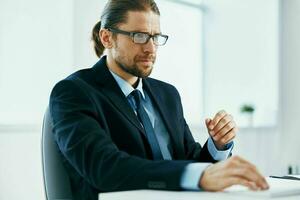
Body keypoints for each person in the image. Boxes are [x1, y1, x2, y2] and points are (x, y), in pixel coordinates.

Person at [49, 0, 269, 199]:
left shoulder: (168, 95)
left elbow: (189, 163)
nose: (150, 48)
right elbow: (105, 168)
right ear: (107, 37)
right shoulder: (73, 93)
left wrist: (217, 146)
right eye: (139, 36)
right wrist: (199, 175)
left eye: (155, 37)